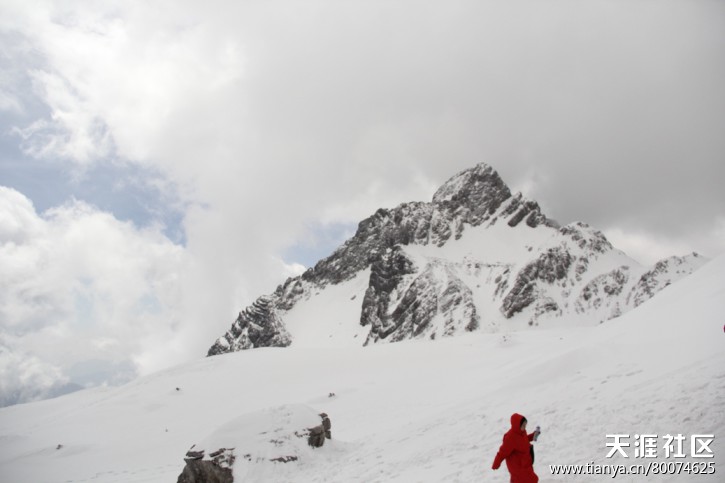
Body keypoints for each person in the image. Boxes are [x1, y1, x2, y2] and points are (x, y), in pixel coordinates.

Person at [492, 413, 540, 483]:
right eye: (523, 425)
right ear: (517, 425)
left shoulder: (522, 432)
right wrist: (496, 464)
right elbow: (502, 452)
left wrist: (533, 435)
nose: (524, 427)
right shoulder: (510, 438)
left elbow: (524, 440)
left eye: (525, 425)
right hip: (518, 467)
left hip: (526, 463)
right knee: (532, 480)